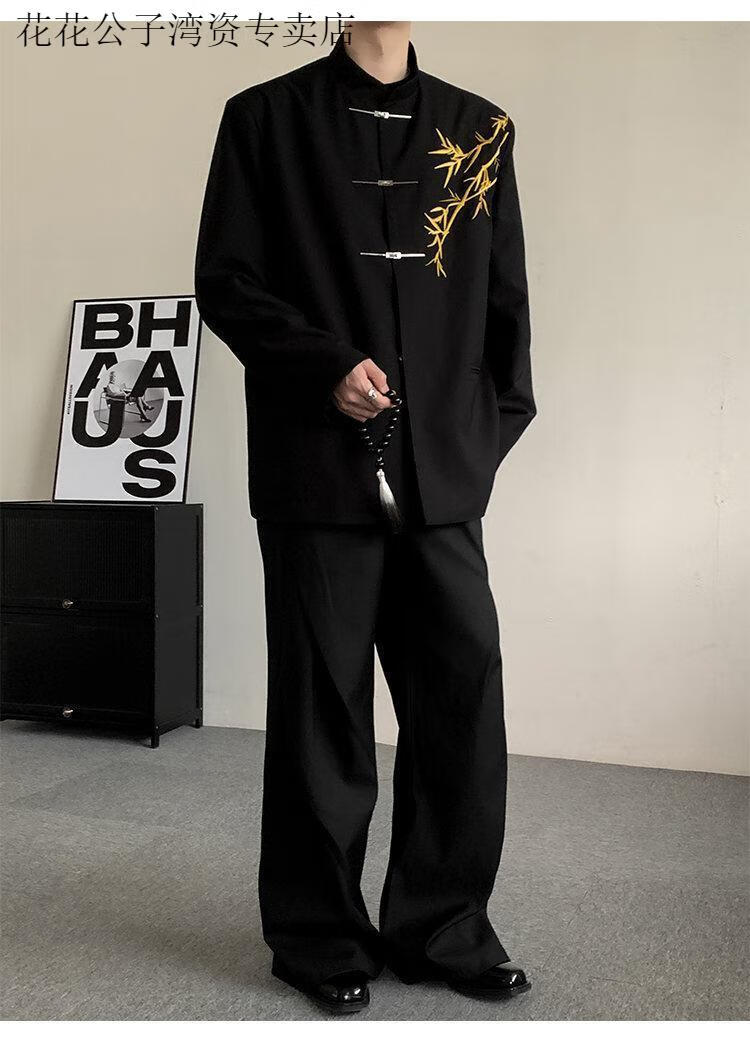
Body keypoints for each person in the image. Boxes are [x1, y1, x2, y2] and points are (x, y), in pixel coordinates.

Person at [194, 20, 537, 1015]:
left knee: (460, 697)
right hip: (316, 465)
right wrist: (324, 366)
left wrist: (479, 437)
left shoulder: (480, 129)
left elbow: (506, 304)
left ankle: (443, 926)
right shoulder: (264, 121)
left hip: (441, 474)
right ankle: (318, 934)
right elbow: (227, 281)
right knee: (322, 709)